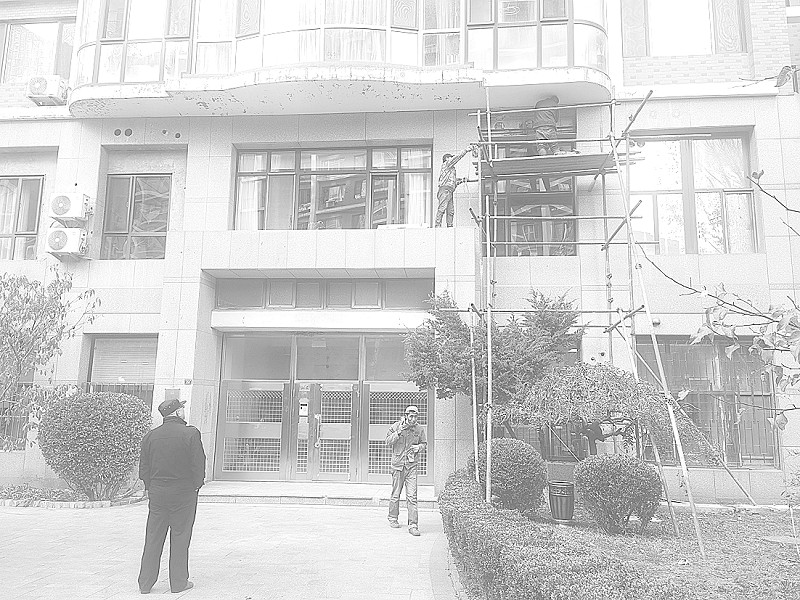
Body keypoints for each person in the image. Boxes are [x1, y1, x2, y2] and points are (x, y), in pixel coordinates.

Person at [138, 398, 206, 594]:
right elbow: (198, 464)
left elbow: (144, 468)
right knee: (180, 536)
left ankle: (145, 583)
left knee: (153, 537)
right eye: (182, 408)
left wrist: (150, 487)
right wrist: (196, 485)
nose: (184, 410)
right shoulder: (190, 433)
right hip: (183, 492)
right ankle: (178, 582)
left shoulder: (150, 436)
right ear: (177, 413)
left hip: (158, 493)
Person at [385, 405, 427, 536]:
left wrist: (419, 447)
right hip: (398, 466)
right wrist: (398, 432)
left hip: (411, 466)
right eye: (411, 416)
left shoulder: (419, 429)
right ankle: (393, 518)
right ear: (406, 416)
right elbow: (387, 441)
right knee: (396, 494)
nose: (413, 419)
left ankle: (413, 525)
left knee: (412, 497)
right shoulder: (396, 426)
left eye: (415, 417)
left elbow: (424, 444)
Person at [435, 144, 478, 227]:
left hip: (449, 191)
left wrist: (462, 180)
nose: (452, 159)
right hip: (445, 190)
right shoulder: (446, 164)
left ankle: (450, 226)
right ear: (447, 159)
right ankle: (437, 225)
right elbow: (457, 157)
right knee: (442, 208)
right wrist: (466, 150)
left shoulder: (450, 170)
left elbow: (454, 182)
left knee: (450, 211)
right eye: (450, 158)